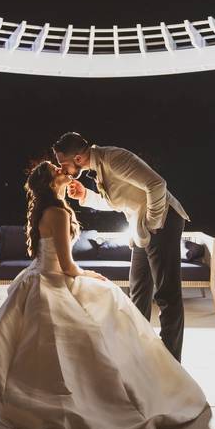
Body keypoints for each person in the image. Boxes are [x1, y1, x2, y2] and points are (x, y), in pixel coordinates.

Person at [0, 162, 206, 429]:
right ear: (51, 183)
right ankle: (106, 391)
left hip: (37, 277)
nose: (63, 170)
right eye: (56, 170)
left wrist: (83, 199)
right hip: (53, 279)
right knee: (106, 302)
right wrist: (90, 274)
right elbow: (67, 265)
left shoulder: (50, 210)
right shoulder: (58, 212)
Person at [53, 132, 189, 361]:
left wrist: (152, 224)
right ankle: (139, 355)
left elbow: (157, 184)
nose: (62, 169)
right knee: (138, 291)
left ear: (77, 158)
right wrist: (86, 195)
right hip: (141, 230)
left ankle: (171, 361)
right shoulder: (98, 169)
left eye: (62, 163)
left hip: (163, 222)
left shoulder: (114, 158)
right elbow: (117, 202)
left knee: (167, 295)